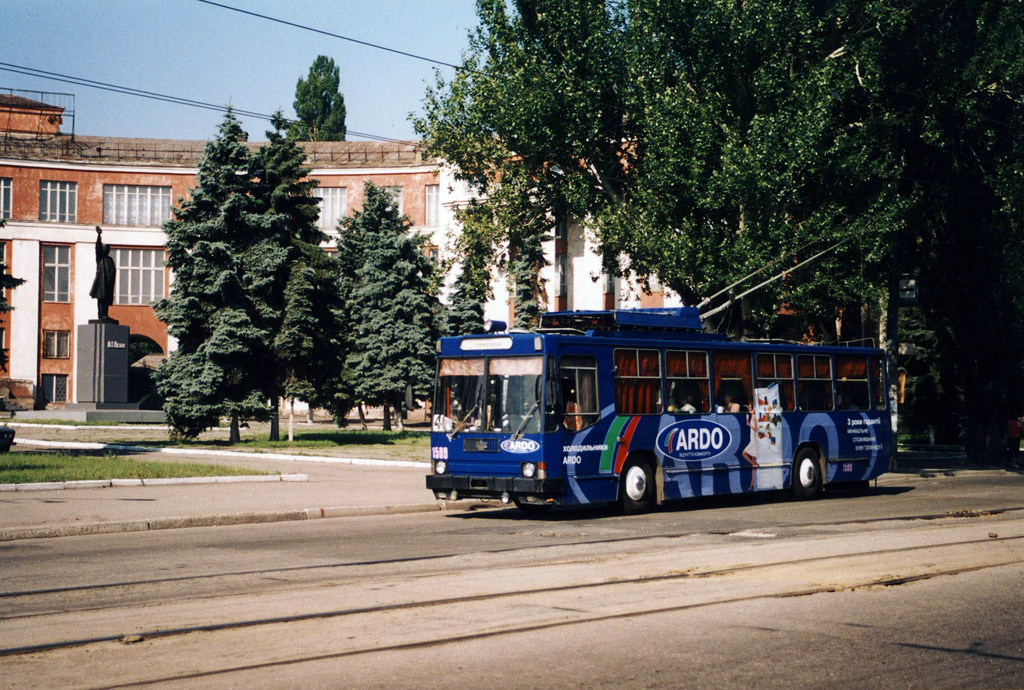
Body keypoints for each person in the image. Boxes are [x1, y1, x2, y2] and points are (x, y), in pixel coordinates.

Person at [89, 226, 116, 322]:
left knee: (106, 300)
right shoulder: (100, 259)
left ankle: (105, 315)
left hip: (108, 284)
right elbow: (97, 247)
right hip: (101, 283)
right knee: (101, 300)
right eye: (105, 249)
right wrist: (99, 235)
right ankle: (101, 315)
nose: (107, 250)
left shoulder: (110, 260)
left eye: (108, 249)